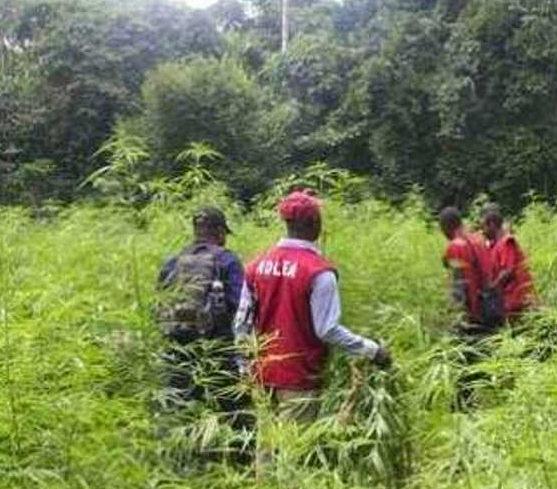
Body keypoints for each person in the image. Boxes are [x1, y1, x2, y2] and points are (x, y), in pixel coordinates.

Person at [234, 191, 391, 423]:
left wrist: (243, 366)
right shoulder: (318, 271)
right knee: (294, 451)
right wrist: (371, 350)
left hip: (262, 373)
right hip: (299, 377)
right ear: (315, 223)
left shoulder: (256, 265)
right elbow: (326, 329)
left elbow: (242, 323)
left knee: (267, 449)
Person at [155, 206, 252, 459]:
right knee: (232, 410)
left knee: (181, 410)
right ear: (220, 232)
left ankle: (180, 461)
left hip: (178, 351)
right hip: (217, 351)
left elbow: (160, 306)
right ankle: (234, 460)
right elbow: (240, 307)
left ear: (196, 231)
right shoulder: (227, 260)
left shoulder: (172, 261)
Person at [440, 206, 498, 332]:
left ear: (446, 227)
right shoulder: (479, 239)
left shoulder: (455, 246)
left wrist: (454, 315)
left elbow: (458, 285)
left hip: (472, 313)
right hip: (490, 305)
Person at [480, 204, 534, 319]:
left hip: (519, 299)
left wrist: (491, 288)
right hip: (509, 300)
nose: (483, 232)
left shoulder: (506, 242)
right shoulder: (495, 245)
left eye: (484, 227)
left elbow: (507, 271)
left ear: (492, 224)